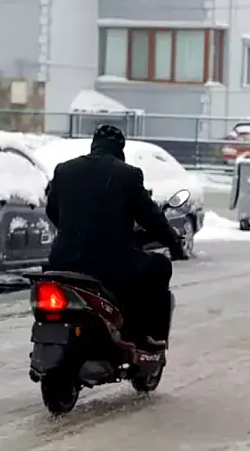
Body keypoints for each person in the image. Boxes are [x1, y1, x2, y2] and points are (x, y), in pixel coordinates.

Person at [45, 124, 188, 351]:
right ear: (120, 149)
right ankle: (146, 335)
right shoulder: (127, 175)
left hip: (64, 260)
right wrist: (172, 240)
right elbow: (151, 217)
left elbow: (53, 211)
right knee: (159, 266)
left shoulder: (64, 170)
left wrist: (74, 230)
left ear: (93, 145)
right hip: (109, 263)